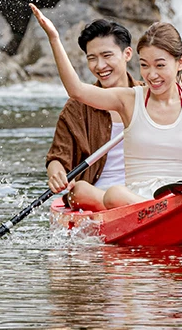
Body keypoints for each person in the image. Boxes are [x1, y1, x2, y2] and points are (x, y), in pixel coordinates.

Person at [30, 4, 182, 208]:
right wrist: (54, 38)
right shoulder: (129, 99)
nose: (151, 74)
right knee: (114, 194)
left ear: (180, 62)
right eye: (144, 65)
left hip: (181, 190)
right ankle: (164, 211)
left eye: (160, 65)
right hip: (137, 198)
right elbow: (77, 90)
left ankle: (177, 207)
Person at [44, 19, 136, 211]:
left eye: (107, 55)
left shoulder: (150, 96)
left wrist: (180, 87)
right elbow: (58, 158)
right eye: (92, 58)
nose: (100, 65)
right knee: (79, 190)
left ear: (127, 54)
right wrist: (56, 173)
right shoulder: (77, 107)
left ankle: (141, 205)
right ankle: (133, 207)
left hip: (145, 189)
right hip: (99, 198)